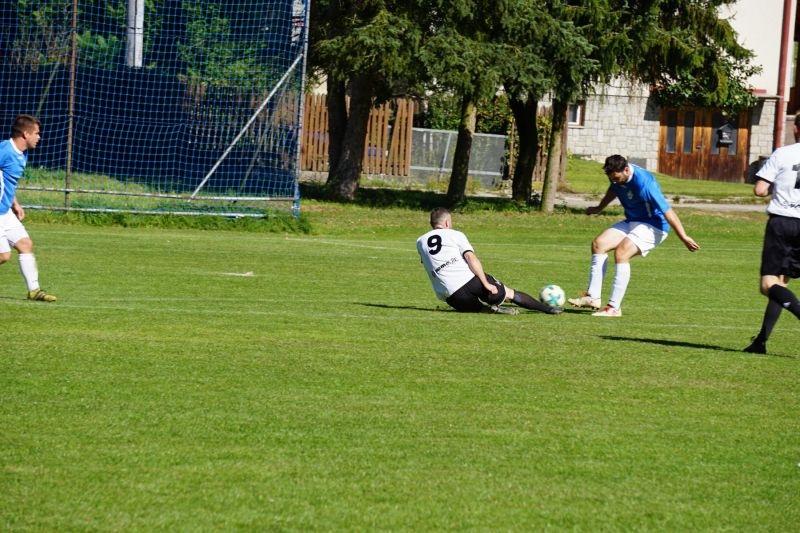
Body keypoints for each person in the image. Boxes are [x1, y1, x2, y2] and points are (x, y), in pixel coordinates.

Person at [567, 154, 699, 316]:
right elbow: (613, 189)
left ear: (627, 170)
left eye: (616, 178)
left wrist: (684, 237)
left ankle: (613, 308)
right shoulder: (615, 177)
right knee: (599, 244)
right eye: (611, 179)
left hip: (655, 226)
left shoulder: (645, 184)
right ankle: (593, 297)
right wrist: (599, 208)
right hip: (633, 221)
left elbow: (668, 212)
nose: (614, 181)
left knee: (622, 252)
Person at [417, 207, 561, 315]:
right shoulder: (455, 235)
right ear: (447, 222)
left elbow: (427, 264)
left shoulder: (420, 241)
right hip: (471, 282)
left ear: (432, 223)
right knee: (510, 294)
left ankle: (490, 309)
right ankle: (548, 309)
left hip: (453, 297)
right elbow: (470, 258)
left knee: (477, 309)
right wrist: (486, 283)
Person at [743, 115, 800, 354]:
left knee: (768, 284)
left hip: (782, 224)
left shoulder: (783, 153)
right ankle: (761, 342)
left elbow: (759, 189)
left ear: (796, 128)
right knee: (781, 283)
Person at [0, 114, 56, 302]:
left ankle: (34, 291)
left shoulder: (21, 153)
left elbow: (6, 182)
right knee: (3, 255)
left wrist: (15, 204)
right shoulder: (5, 150)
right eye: (36, 133)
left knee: (25, 244)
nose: (39, 137)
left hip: (5, 211)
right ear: (25, 134)